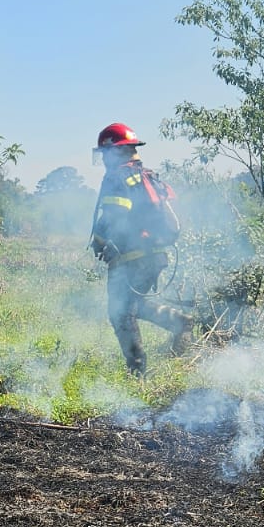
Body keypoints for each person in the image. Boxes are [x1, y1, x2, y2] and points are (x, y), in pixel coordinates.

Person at [90, 122, 192, 377]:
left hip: (132, 258)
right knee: (134, 305)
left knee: (120, 313)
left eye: (105, 153)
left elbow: (112, 217)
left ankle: (137, 372)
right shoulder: (147, 176)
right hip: (154, 256)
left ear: (117, 152)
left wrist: (99, 242)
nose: (104, 160)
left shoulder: (118, 177)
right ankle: (179, 322)